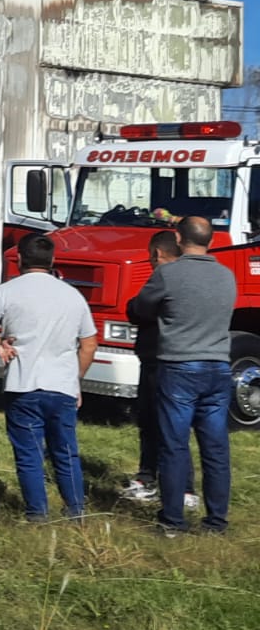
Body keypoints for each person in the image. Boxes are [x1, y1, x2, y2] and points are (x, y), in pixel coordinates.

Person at [0, 233, 97, 522]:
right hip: (61, 385)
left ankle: (37, 513)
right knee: (66, 452)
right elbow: (89, 343)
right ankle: (76, 512)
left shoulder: (8, 291)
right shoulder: (72, 295)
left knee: (29, 453)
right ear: (52, 261)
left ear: (20, 259)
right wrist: (76, 380)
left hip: (22, 383)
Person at [124, 215, 235, 536]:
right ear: (211, 241)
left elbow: (140, 309)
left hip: (179, 367)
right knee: (215, 448)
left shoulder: (168, 274)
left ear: (176, 237)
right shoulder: (226, 276)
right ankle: (216, 521)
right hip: (217, 366)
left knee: (174, 445)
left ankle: (173, 521)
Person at [120, 230, 189, 505]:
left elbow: (139, 309)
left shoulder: (163, 276)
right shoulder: (194, 276)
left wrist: (132, 305)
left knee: (153, 424)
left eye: (151, 257)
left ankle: (150, 479)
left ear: (157, 254)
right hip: (185, 359)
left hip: (157, 358)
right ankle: (185, 489)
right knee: (177, 427)